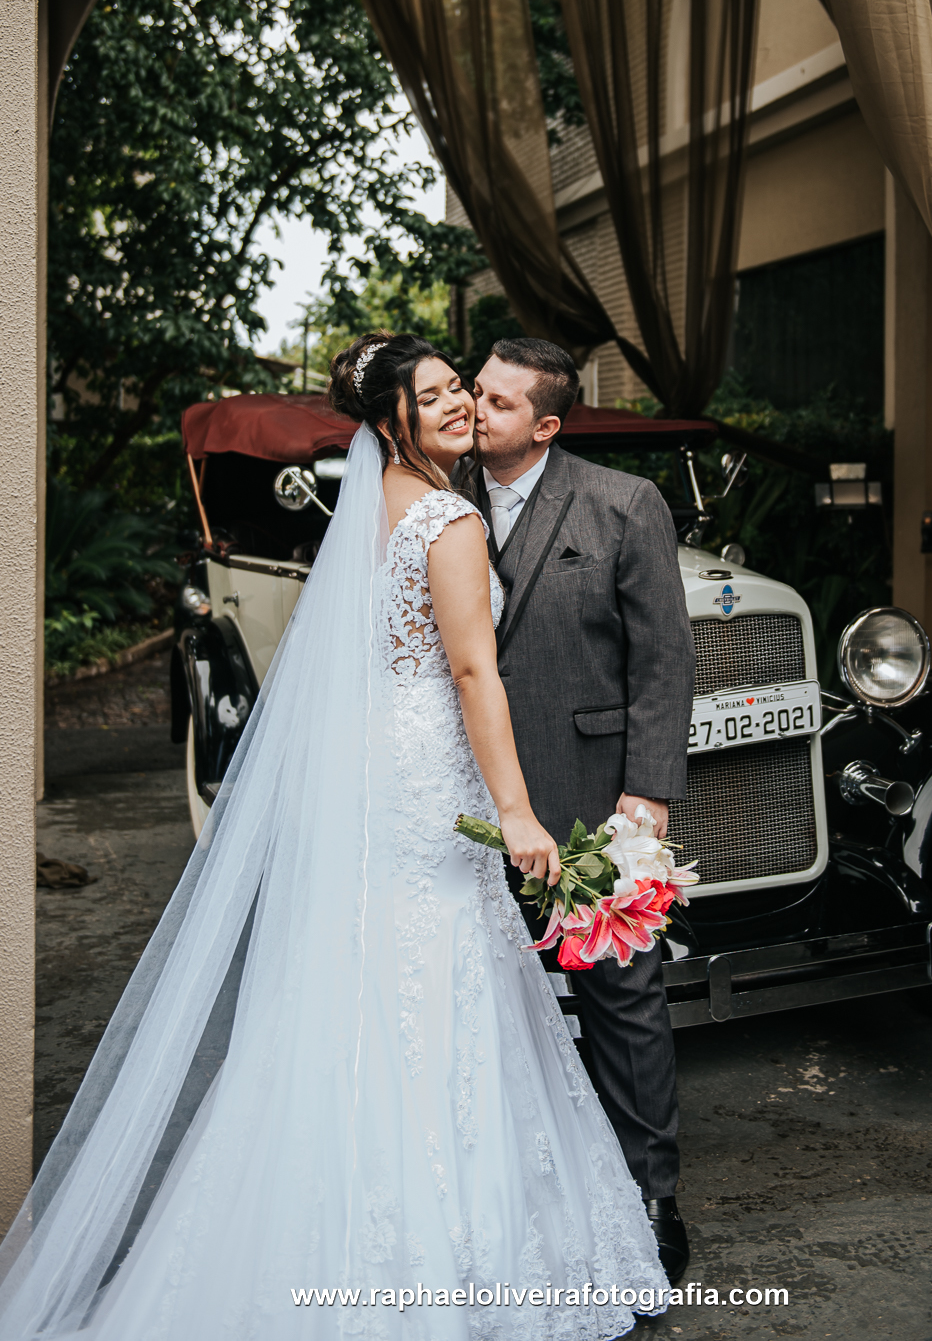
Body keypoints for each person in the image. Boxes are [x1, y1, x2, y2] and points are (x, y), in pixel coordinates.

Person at [0, 333, 668, 1339]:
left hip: (387, 774)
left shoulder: (372, 513)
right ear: (392, 418)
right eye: (441, 395)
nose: (461, 409)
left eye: (467, 393)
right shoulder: (447, 517)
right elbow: (475, 675)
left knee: (369, 987)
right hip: (434, 775)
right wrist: (520, 813)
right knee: (445, 985)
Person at [468, 338, 696, 1284]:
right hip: (463, 801)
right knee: (476, 994)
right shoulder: (434, 502)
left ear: (549, 426)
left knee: (622, 999)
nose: (476, 412)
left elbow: (663, 660)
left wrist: (645, 796)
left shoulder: (622, 503)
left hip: (587, 800)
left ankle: (652, 1192)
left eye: (500, 404)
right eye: (475, 392)